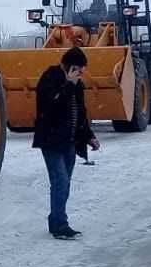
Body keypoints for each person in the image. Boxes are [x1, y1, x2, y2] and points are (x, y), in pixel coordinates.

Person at [32, 46, 100, 239]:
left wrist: (89, 136)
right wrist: (68, 84)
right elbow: (50, 108)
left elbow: (80, 114)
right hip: (51, 141)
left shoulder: (78, 84)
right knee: (60, 182)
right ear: (69, 67)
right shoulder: (50, 79)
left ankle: (56, 221)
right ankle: (60, 225)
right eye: (79, 69)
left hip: (69, 142)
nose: (82, 73)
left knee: (65, 183)